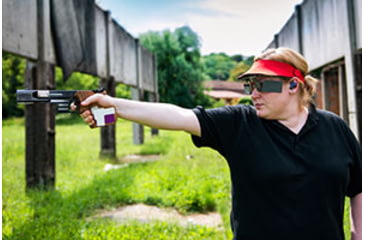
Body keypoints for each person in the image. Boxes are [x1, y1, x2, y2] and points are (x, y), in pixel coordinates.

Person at [73, 47, 361, 240]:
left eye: (264, 85)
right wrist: (114, 105)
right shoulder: (240, 124)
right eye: (250, 85)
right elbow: (178, 115)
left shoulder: (335, 128)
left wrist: (359, 232)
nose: (254, 94)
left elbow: (357, 187)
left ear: (294, 85)